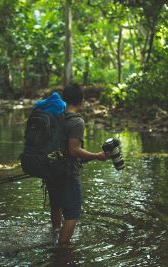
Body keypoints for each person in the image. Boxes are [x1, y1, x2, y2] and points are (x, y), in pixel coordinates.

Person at [46, 82, 108, 246]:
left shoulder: (54, 117)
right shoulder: (77, 122)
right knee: (72, 214)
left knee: (56, 206)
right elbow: (73, 150)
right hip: (66, 173)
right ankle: (61, 251)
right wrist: (96, 155)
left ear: (64, 99)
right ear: (81, 100)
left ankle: (55, 235)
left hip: (50, 170)